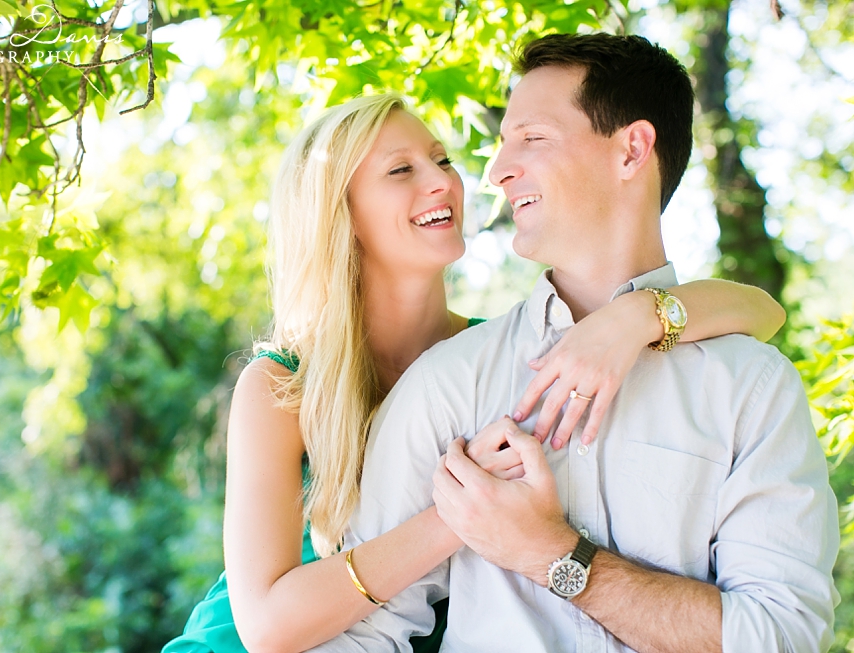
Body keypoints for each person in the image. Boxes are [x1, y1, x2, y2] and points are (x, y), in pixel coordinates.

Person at [164, 90, 788, 653]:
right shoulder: (283, 384)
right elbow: (267, 628)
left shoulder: (491, 360)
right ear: (339, 214)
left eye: (442, 160)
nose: (442, 181)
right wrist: (459, 516)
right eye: (402, 170)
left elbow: (763, 312)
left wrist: (635, 317)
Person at [310, 34, 839, 653]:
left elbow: (782, 637)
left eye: (532, 138)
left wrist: (554, 554)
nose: (497, 171)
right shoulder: (447, 383)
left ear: (631, 150)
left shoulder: (751, 387)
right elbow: (363, 638)